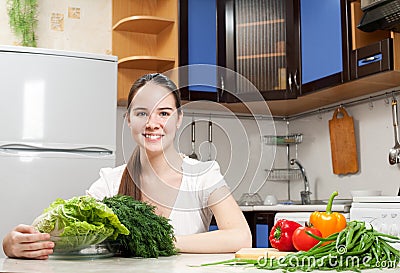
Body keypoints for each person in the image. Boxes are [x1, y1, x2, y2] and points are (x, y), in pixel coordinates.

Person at [2, 73, 252, 259]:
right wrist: (16, 244)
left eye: (163, 113)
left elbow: (241, 236)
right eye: (142, 113)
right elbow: (64, 229)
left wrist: (163, 240)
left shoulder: (204, 175)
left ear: (178, 119)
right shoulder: (110, 181)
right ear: (129, 119)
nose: (152, 123)